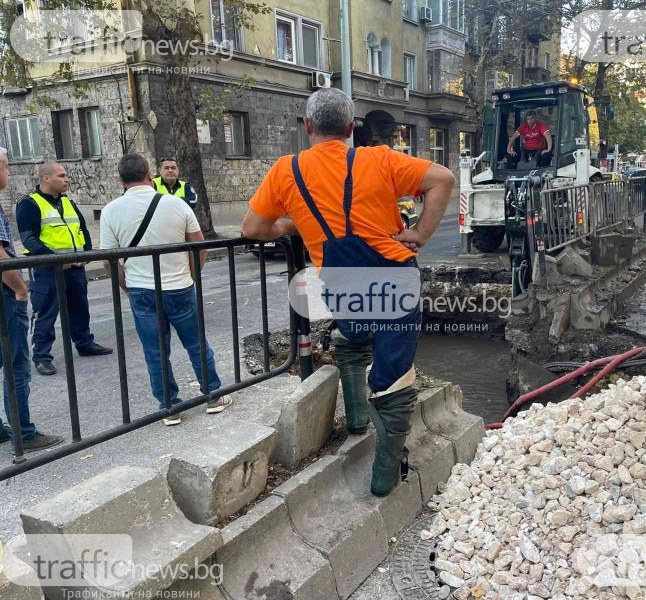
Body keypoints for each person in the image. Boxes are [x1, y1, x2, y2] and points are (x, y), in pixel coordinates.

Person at [242, 88, 454, 497]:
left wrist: (290, 226)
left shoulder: (287, 170)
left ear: (308, 127)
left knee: (353, 336)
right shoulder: (377, 158)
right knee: (392, 376)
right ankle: (384, 478)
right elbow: (441, 179)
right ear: (351, 127)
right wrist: (420, 234)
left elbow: (253, 228)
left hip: (340, 280)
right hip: (393, 276)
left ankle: (357, 419)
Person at [100, 154, 232, 426]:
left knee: (156, 351)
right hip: (179, 286)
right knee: (196, 344)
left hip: (141, 291)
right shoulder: (176, 204)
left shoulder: (110, 211)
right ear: (150, 174)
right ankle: (213, 396)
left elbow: (109, 260)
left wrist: (127, 287)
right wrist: (192, 276)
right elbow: (199, 245)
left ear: (120, 180)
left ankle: (169, 407)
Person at [15, 163, 113, 376]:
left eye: (66, 175)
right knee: (45, 311)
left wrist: (85, 255)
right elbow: (29, 240)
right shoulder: (29, 204)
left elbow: (82, 230)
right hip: (47, 270)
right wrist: (58, 260)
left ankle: (84, 343)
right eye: (62, 175)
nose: (67, 179)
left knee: (79, 306)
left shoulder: (68, 202)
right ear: (46, 178)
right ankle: (41, 356)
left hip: (75, 267)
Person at [0, 148, 64, 452]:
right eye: (7, 167)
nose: (9, 173)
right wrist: (20, 288)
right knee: (17, 366)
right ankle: (23, 432)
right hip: (5, 296)